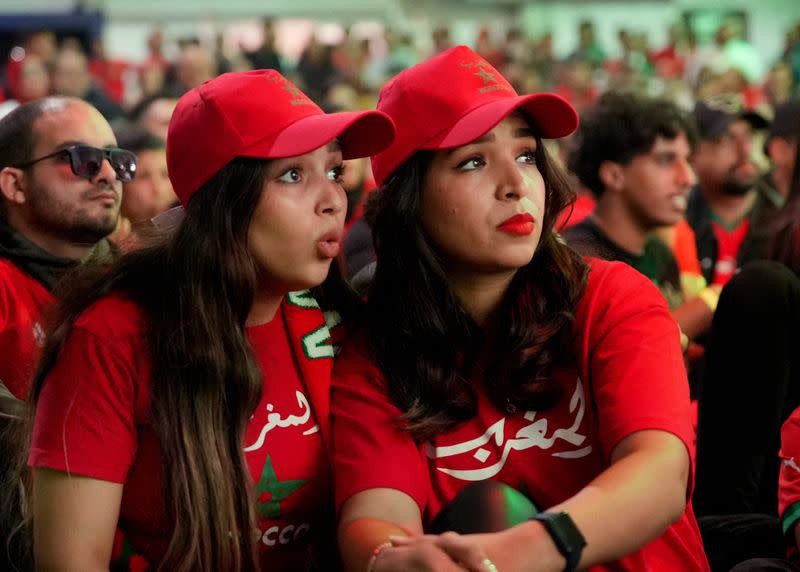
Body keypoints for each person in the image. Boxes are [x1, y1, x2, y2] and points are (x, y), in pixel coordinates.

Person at [332, 46, 709, 572]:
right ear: (409, 200)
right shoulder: (378, 351)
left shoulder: (613, 296)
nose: (516, 186)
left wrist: (526, 549)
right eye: (473, 161)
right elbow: (376, 516)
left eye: (528, 155)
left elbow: (660, 473)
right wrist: (394, 560)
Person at [24, 70, 394, 571]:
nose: (333, 200)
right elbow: (70, 563)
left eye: (332, 172)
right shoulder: (111, 337)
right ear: (223, 200)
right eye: (292, 175)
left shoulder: (331, 322)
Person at [564, 91, 719, 341]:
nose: (688, 178)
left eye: (687, 160)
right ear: (615, 175)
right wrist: (708, 304)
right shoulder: (577, 262)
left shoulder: (660, 253)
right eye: (666, 160)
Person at [0, 97, 127, 400]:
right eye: (81, 159)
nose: (109, 175)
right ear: (15, 185)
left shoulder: (139, 278)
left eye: (117, 160)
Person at [687, 96, 773, 287]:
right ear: (693, 153)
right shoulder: (676, 221)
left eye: (749, 135)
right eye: (727, 138)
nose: (746, 150)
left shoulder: (782, 220)